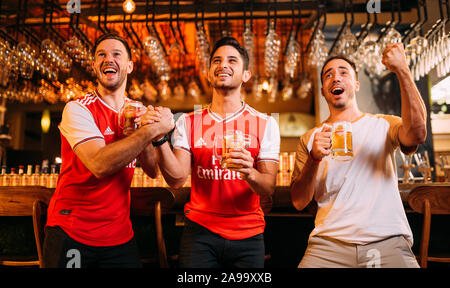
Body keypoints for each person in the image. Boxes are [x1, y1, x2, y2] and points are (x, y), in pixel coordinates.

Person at [146, 37, 280, 268]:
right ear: (208, 73)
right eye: (216, 60)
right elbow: (176, 179)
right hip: (200, 232)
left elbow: (268, 186)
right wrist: (159, 139)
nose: (222, 65)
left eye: (232, 60)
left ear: (246, 75)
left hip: (248, 233)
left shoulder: (266, 123)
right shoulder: (188, 122)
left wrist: (250, 173)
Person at [43, 33, 174, 268]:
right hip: (73, 231)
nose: (108, 59)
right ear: (94, 65)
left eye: (116, 54)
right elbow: (99, 165)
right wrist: (147, 132)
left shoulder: (138, 110)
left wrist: (152, 131)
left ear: (130, 66)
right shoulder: (77, 109)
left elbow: (152, 170)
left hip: (119, 234)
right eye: (101, 55)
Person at [290, 43, 427, 268]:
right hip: (328, 245)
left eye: (344, 73)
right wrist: (314, 159)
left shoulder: (383, 124)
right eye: (328, 75)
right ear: (323, 90)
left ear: (356, 84)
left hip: (386, 240)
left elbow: (418, 134)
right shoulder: (310, 137)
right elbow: (298, 201)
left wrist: (403, 70)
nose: (336, 78)